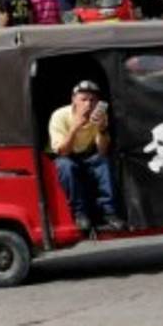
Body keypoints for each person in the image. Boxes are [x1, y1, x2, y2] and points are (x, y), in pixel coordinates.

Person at [49, 81, 122, 232]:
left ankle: (109, 213)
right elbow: (62, 151)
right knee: (65, 166)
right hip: (66, 155)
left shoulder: (99, 115)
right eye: (84, 99)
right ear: (74, 99)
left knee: (103, 162)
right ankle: (79, 214)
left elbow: (102, 150)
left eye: (92, 100)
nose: (88, 104)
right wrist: (75, 127)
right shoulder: (60, 115)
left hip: (88, 154)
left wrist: (102, 129)